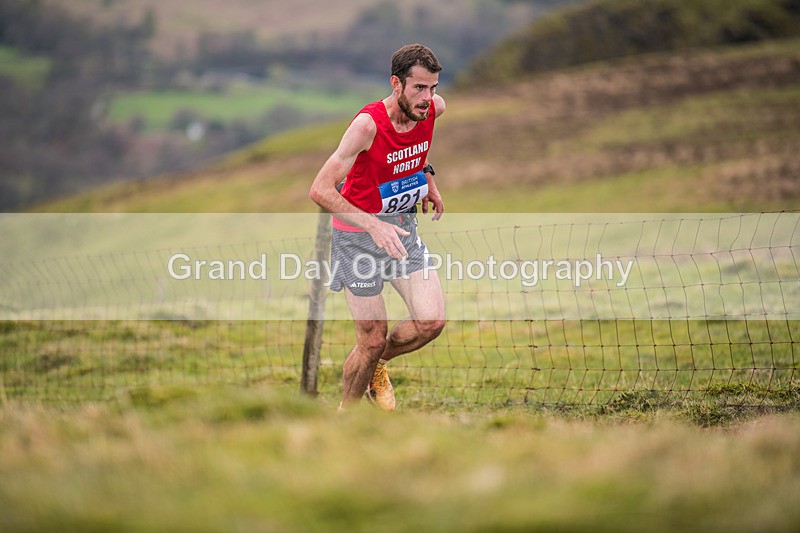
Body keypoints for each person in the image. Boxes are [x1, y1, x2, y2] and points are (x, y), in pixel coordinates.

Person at [308, 43, 446, 411]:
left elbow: (417, 147)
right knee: (370, 339)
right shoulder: (367, 125)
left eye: (432, 88)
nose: (427, 98)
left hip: (401, 231)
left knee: (431, 321)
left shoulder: (431, 109)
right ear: (396, 84)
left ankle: (377, 367)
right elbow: (319, 189)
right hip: (356, 238)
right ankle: (346, 419)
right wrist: (372, 226)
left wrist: (427, 179)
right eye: (418, 88)